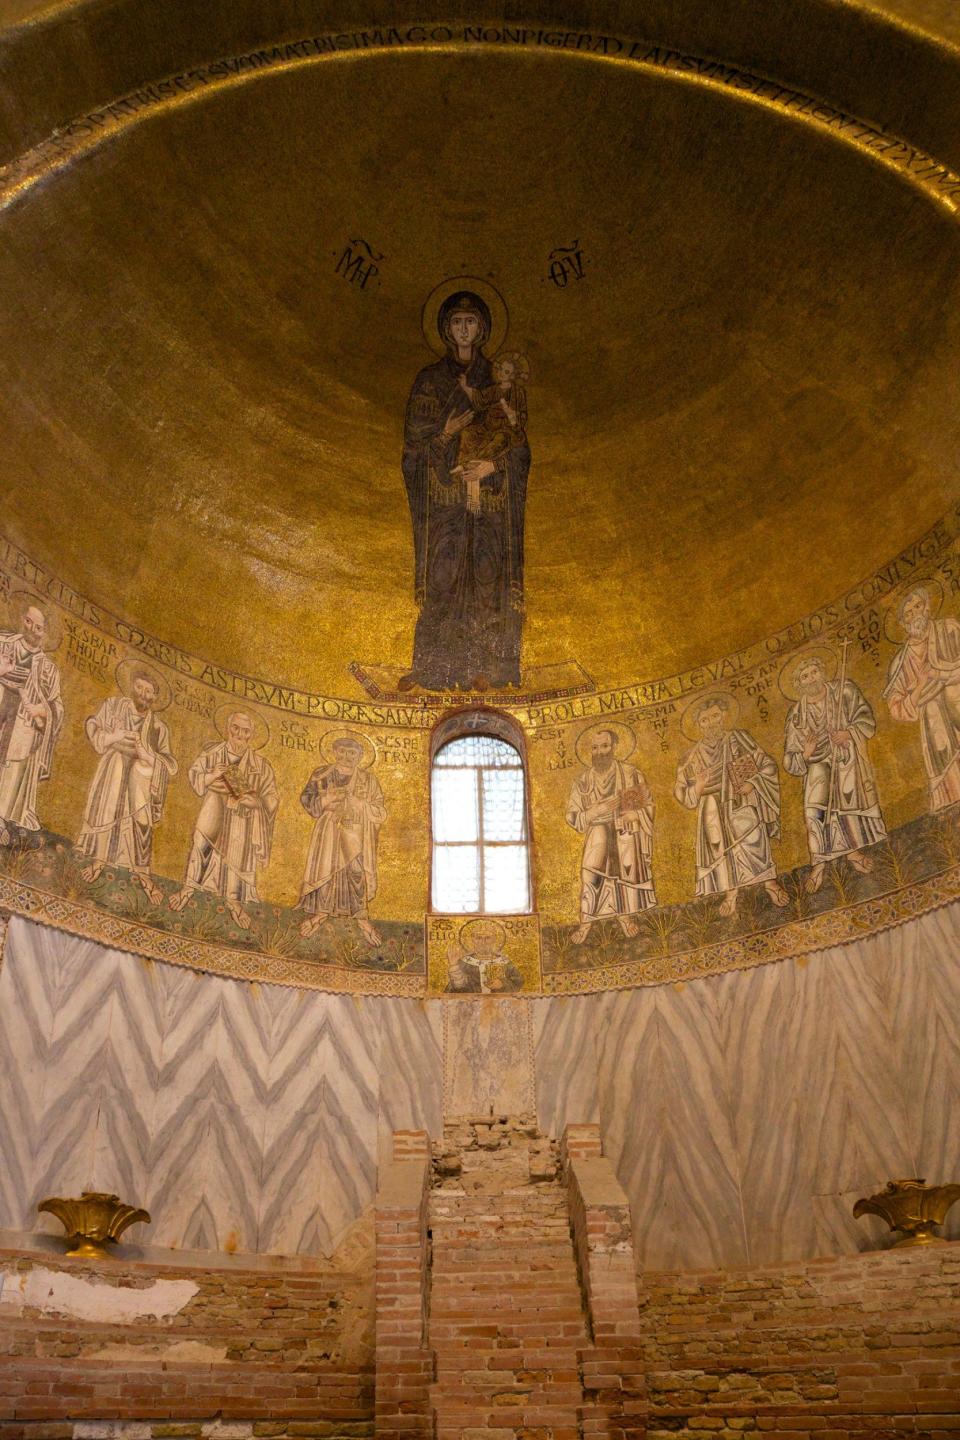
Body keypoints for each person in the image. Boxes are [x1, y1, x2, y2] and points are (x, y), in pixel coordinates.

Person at [399, 291, 530, 691]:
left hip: (489, 503)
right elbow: (413, 450)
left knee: (488, 577)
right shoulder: (429, 381)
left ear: (483, 328)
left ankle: (490, 668)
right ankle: (434, 669)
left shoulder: (499, 379)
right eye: (457, 322)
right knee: (443, 575)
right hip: (445, 503)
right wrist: (446, 433)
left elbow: (519, 446)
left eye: (471, 322)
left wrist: (493, 466)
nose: (464, 329)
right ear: (445, 328)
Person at [674, 696, 788, 916]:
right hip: (710, 805)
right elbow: (683, 795)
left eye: (715, 716)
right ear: (698, 725)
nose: (711, 723)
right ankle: (730, 893)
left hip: (740, 798)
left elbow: (766, 763)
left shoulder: (739, 738)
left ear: (724, 716)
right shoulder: (691, 757)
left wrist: (752, 783)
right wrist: (698, 786)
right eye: (705, 720)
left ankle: (769, 883)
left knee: (752, 839)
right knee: (719, 848)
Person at [783, 654, 886, 892]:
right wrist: (806, 754)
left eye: (814, 672)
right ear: (799, 684)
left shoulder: (844, 691)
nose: (811, 679)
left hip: (845, 758)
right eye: (805, 676)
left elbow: (866, 719)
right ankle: (819, 863)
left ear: (822, 672)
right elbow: (790, 760)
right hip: (816, 766)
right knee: (815, 814)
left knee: (843, 808)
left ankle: (853, 853)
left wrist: (848, 733)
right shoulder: (797, 714)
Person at [76, 666, 177, 902]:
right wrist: (116, 736)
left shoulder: (159, 728)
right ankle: (99, 862)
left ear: (154, 697)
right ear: (132, 687)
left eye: (148, 691)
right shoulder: (113, 706)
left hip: (141, 778)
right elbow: (93, 727)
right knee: (108, 809)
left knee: (141, 822)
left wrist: (147, 754)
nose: (143, 693)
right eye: (139, 687)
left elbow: (170, 764)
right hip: (113, 767)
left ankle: (142, 874)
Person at [169, 711, 278, 929]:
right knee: (201, 845)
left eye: (245, 731)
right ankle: (189, 888)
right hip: (214, 806)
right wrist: (212, 776)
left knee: (236, 856)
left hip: (241, 817)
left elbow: (271, 798)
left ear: (251, 735)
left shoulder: (261, 765)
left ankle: (233, 900)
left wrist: (253, 801)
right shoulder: (212, 753)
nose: (239, 734)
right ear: (228, 728)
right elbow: (195, 776)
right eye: (236, 727)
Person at [566, 727, 655, 943]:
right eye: (595, 748)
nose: (600, 752)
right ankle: (585, 924)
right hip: (597, 831)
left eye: (605, 746)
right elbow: (572, 815)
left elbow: (648, 806)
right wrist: (596, 811)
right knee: (591, 876)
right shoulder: (582, 782)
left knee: (621, 877)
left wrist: (635, 814)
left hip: (624, 832)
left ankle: (625, 919)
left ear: (614, 747)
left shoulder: (631, 774)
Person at [298, 734, 386, 947]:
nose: (347, 756)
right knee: (326, 870)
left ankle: (362, 918)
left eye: (352, 752)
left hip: (356, 835)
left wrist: (358, 804)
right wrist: (325, 800)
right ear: (335, 752)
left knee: (355, 873)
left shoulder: (369, 780)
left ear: (359, 756)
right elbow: (307, 799)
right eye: (343, 751)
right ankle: (321, 913)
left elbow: (380, 812)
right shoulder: (321, 774)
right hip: (328, 831)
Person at [884, 586, 960, 811]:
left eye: (917, 606)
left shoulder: (949, 629)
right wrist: (919, 688)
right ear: (903, 623)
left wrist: (943, 674)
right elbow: (896, 708)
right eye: (908, 613)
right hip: (934, 725)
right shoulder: (901, 662)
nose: (915, 614)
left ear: (927, 606)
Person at [0, 601, 63, 846]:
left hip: (24, 725)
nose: (31, 629)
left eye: (38, 627)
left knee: (13, 766)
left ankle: (3, 819)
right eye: (28, 621)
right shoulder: (3, 644)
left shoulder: (48, 668)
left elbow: (57, 705)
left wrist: (43, 711)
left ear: (45, 633)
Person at [452, 352, 529, 513]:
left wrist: (511, 415)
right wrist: (466, 386)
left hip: (507, 430)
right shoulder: (494, 390)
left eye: (507, 372)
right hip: (488, 427)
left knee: (499, 440)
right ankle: (463, 462)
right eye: (501, 369)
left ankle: (473, 465)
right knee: (468, 433)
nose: (502, 373)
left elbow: (521, 417)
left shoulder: (518, 393)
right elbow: (480, 399)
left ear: (513, 375)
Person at [445, 919, 523, 993]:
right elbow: (457, 990)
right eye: (478, 938)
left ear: (494, 939)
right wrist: (454, 966)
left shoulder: (505, 962)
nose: (483, 942)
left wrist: (502, 984)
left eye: (487, 938)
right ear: (473, 939)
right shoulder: (464, 963)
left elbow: (517, 983)